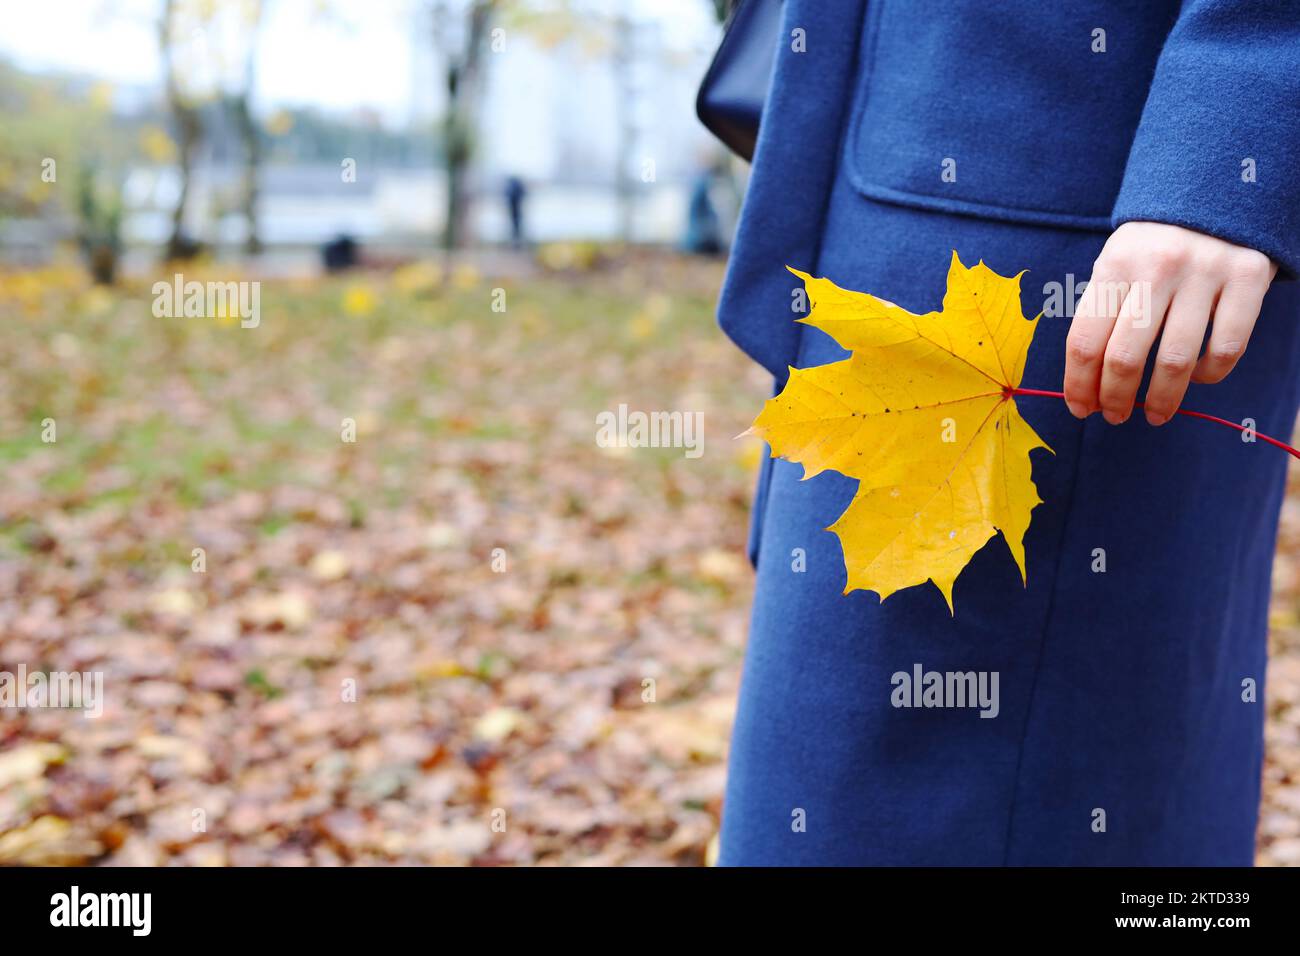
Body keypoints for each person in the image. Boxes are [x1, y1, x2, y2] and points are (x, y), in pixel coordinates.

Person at [716, 0, 1300, 865]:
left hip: (1104, 192)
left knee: (1073, 774)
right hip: (901, 139)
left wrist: (1241, 116)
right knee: (830, 752)